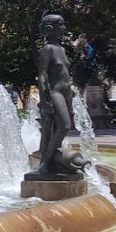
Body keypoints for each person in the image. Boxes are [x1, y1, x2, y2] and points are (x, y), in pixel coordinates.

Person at [32, 14, 84, 175]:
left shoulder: (61, 49)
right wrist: (45, 98)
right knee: (64, 125)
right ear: (49, 28)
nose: (64, 28)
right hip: (55, 93)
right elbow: (42, 75)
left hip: (67, 93)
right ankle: (44, 165)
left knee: (57, 129)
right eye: (60, 25)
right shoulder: (48, 49)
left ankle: (53, 162)